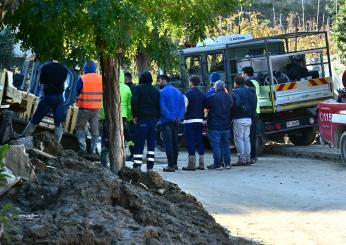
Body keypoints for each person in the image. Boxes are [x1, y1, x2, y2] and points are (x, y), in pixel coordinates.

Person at [19, 54, 68, 143]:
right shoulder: (64, 70)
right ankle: (57, 142)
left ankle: (25, 135)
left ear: (52, 57)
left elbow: (41, 81)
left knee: (37, 117)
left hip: (48, 97)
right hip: (59, 98)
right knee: (58, 122)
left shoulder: (46, 67)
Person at [131, 71, 160, 172]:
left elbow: (134, 102)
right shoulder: (155, 90)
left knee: (139, 142)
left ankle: (137, 165)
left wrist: (134, 116)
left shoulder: (138, 88)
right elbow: (158, 105)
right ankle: (150, 166)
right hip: (152, 120)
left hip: (142, 119)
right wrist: (157, 118)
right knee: (151, 143)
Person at [158, 74, 185, 172]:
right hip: (177, 121)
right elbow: (182, 107)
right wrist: (178, 117)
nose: (158, 82)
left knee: (168, 143)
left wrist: (171, 117)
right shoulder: (178, 92)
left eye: (159, 80)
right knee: (175, 142)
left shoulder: (161, 92)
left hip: (167, 121)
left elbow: (162, 108)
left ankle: (171, 164)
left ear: (164, 80)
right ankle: (175, 163)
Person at [75, 61, 103, 154]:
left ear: (85, 68)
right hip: (96, 109)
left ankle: (82, 148)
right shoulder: (101, 79)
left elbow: (77, 90)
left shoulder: (82, 78)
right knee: (95, 130)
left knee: (80, 127)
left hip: (84, 108)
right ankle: (92, 149)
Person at [205, 80, 232, 170]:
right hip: (226, 125)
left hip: (215, 125)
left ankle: (218, 164)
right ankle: (227, 164)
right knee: (226, 145)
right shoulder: (229, 97)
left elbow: (206, 105)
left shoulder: (212, 97)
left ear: (216, 87)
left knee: (216, 145)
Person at [232, 76, 257, 166]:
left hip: (239, 118)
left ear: (236, 82)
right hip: (249, 118)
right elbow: (254, 103)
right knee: (246, 138)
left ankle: (241, 159)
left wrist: (233, 113)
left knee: (239, 139)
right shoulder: (250, 91)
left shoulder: (236, 92)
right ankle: (247, 158)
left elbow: (236, 104)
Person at [182, 76, 205, 171]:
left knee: (190, 141)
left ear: (191, 82)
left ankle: (191, 165)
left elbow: (184, 108)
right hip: (200, 120)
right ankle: (201, 163)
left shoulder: (187, 94)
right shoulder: (202, 94)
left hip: (189, 121)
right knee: (200, 141)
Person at [242, 66, 260, 164]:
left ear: (246, 73)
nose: (242, 75)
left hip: (251, 112)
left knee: (250, 136)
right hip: (256, 110)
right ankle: (252, 155)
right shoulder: (256, 80)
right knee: (252, 135)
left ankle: (252, 156)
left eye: (242, 73)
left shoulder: (250, 82)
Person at [124, 71, 135, 161]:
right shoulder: (135, 87)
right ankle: (133, 154)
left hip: (128, 117)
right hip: (134, 116)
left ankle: (133, 154)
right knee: (132, 137)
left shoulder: (126, 88)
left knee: (129, 137)